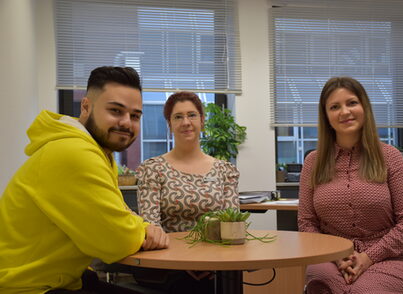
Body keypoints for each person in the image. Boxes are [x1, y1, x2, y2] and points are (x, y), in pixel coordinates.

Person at [0, 66, 169, 294]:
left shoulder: (96, 152)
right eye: (116, 111)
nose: (127, 123)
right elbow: (116, 241)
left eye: (135, 115)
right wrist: (143, 228)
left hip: (65, 279)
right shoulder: (74, 152)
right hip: (27, 287)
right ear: (86, 106)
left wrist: (141, 225)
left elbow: (121, 215)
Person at [298, 76, 403, 294]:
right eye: (334, 107)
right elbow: (307, 223)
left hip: (390, 259)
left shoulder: (390, 157)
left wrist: (368, 257)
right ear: (326, 116)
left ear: (364, 107)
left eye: (352, 103)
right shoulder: (313, 163)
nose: (344, 112)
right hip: (331, 260)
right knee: (322, 286)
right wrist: (338, 256)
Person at [135, 91, 240, 293]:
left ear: (202, 120)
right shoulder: (152, 169)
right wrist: (186, 260)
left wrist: (209, 259)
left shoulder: (225, 170)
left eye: (192, 115)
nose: (186, 122)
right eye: (178, 117)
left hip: (216, 264)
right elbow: (152, 227)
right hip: (169, 265)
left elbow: (232, 226)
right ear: (169, 124)